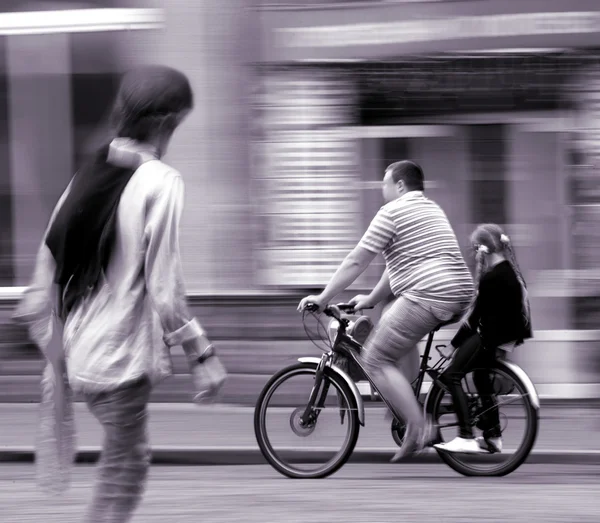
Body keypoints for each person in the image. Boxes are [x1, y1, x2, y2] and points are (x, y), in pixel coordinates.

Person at [14, 65, 226, 523]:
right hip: (118, 359)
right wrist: (203, 355)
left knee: (128, 459)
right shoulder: (161, 181)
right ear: (167, 121)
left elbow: (48, 251)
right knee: (123, 472)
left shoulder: (91, 169)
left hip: (80, 355)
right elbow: (165, 288)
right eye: (179, 124)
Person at [298, 160, 474, 462]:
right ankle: (407, 403)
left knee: (374, 357)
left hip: (430, 294)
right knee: (392, 316)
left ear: (400, 185)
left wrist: (324, 297)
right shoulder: (430, 209)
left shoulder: (392, 212)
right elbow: (400, 268)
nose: (382, 189)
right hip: (459, 292)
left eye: (384, 182)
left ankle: (421, 427)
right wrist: (371, 299)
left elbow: (357, 260)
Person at [434, 224, 532, 454]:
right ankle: (493, 436)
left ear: (483, 250)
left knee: (452, 375)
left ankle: (466, 435)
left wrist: (452, 346)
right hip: (501, 338)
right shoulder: (509, 271)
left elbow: (476, 317)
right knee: (480, 378)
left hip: (489, 336)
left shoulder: (493, 278)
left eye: (474, 249)